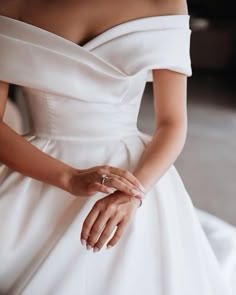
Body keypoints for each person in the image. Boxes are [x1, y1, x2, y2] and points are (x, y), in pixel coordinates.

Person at [0, 0, 235, 294]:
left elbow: (172, 124)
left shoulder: (164, 3)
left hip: (132, 175)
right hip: (40, 171)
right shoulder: (11, 4)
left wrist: (134, 194)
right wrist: (68, 177)